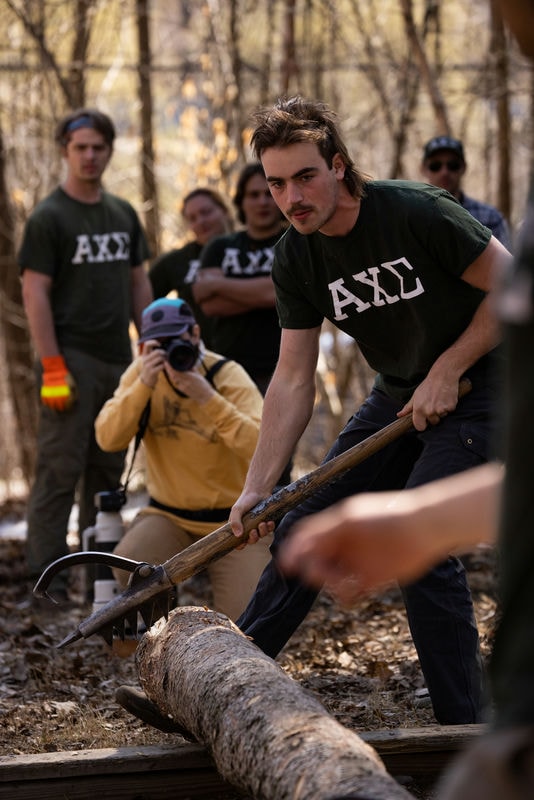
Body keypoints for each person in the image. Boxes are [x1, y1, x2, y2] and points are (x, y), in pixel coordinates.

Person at [226, 95, 512, 728]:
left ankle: (464, 731)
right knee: (301, 524)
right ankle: (229, 676)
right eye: (276, 183)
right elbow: (293, 378)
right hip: (400, 392)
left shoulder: (416, 211)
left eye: (305, 176)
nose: (291, 197)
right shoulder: (296, 256)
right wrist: (258, 486)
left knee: (422, 542)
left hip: (487, 383)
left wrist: (449, 367)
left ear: (338, 165)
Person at [19, 107, 153, 603]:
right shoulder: (49, 217)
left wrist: (149, 341)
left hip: (119, 361)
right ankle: (46, 583)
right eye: (81, 148)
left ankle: (99, 584)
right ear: (65, 151)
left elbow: (139, 280)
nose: (90, 156)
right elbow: (34, 292)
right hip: (69, 361)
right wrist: (52, 365)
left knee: (106, 474)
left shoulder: (122, 214)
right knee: (59, 470)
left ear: (109, 151)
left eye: (99, 147)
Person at [95, 297, 272, 623]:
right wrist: (143, 385)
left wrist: (206, 396)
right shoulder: (141, 375)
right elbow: (108, 438)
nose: (170, 350)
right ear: (144, 347)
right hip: (169, 515)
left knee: (251, 618)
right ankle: (166, 637)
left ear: (194, 333)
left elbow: (261, 444)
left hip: (235, 522)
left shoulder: (226, 374)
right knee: (131, 565)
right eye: (158, 344)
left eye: (177, 339)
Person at [192, 162, 287, 396]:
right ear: (241, 202)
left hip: (282, 371)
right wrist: (269, 290)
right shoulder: (220, 246)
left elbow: (279, 293)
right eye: (254, 195)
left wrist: (219, 284)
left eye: (269, 193)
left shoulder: (294, 241)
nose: (263, 202)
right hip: (226, 370)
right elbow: (209, 304)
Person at [148, 187, 233, 341]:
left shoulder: (248, 247)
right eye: (192, 218)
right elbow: (144, 298)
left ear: (224, 210)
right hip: (197, 356)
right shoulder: (177, 260)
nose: (201, 221)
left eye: (206, 212)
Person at [421, 135, 511, 248]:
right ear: (423, 169)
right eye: (435, 166)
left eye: (453, 165)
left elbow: (506, 263)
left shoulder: (490, 218)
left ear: (463, 168)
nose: (444, 172)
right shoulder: (413, 217)